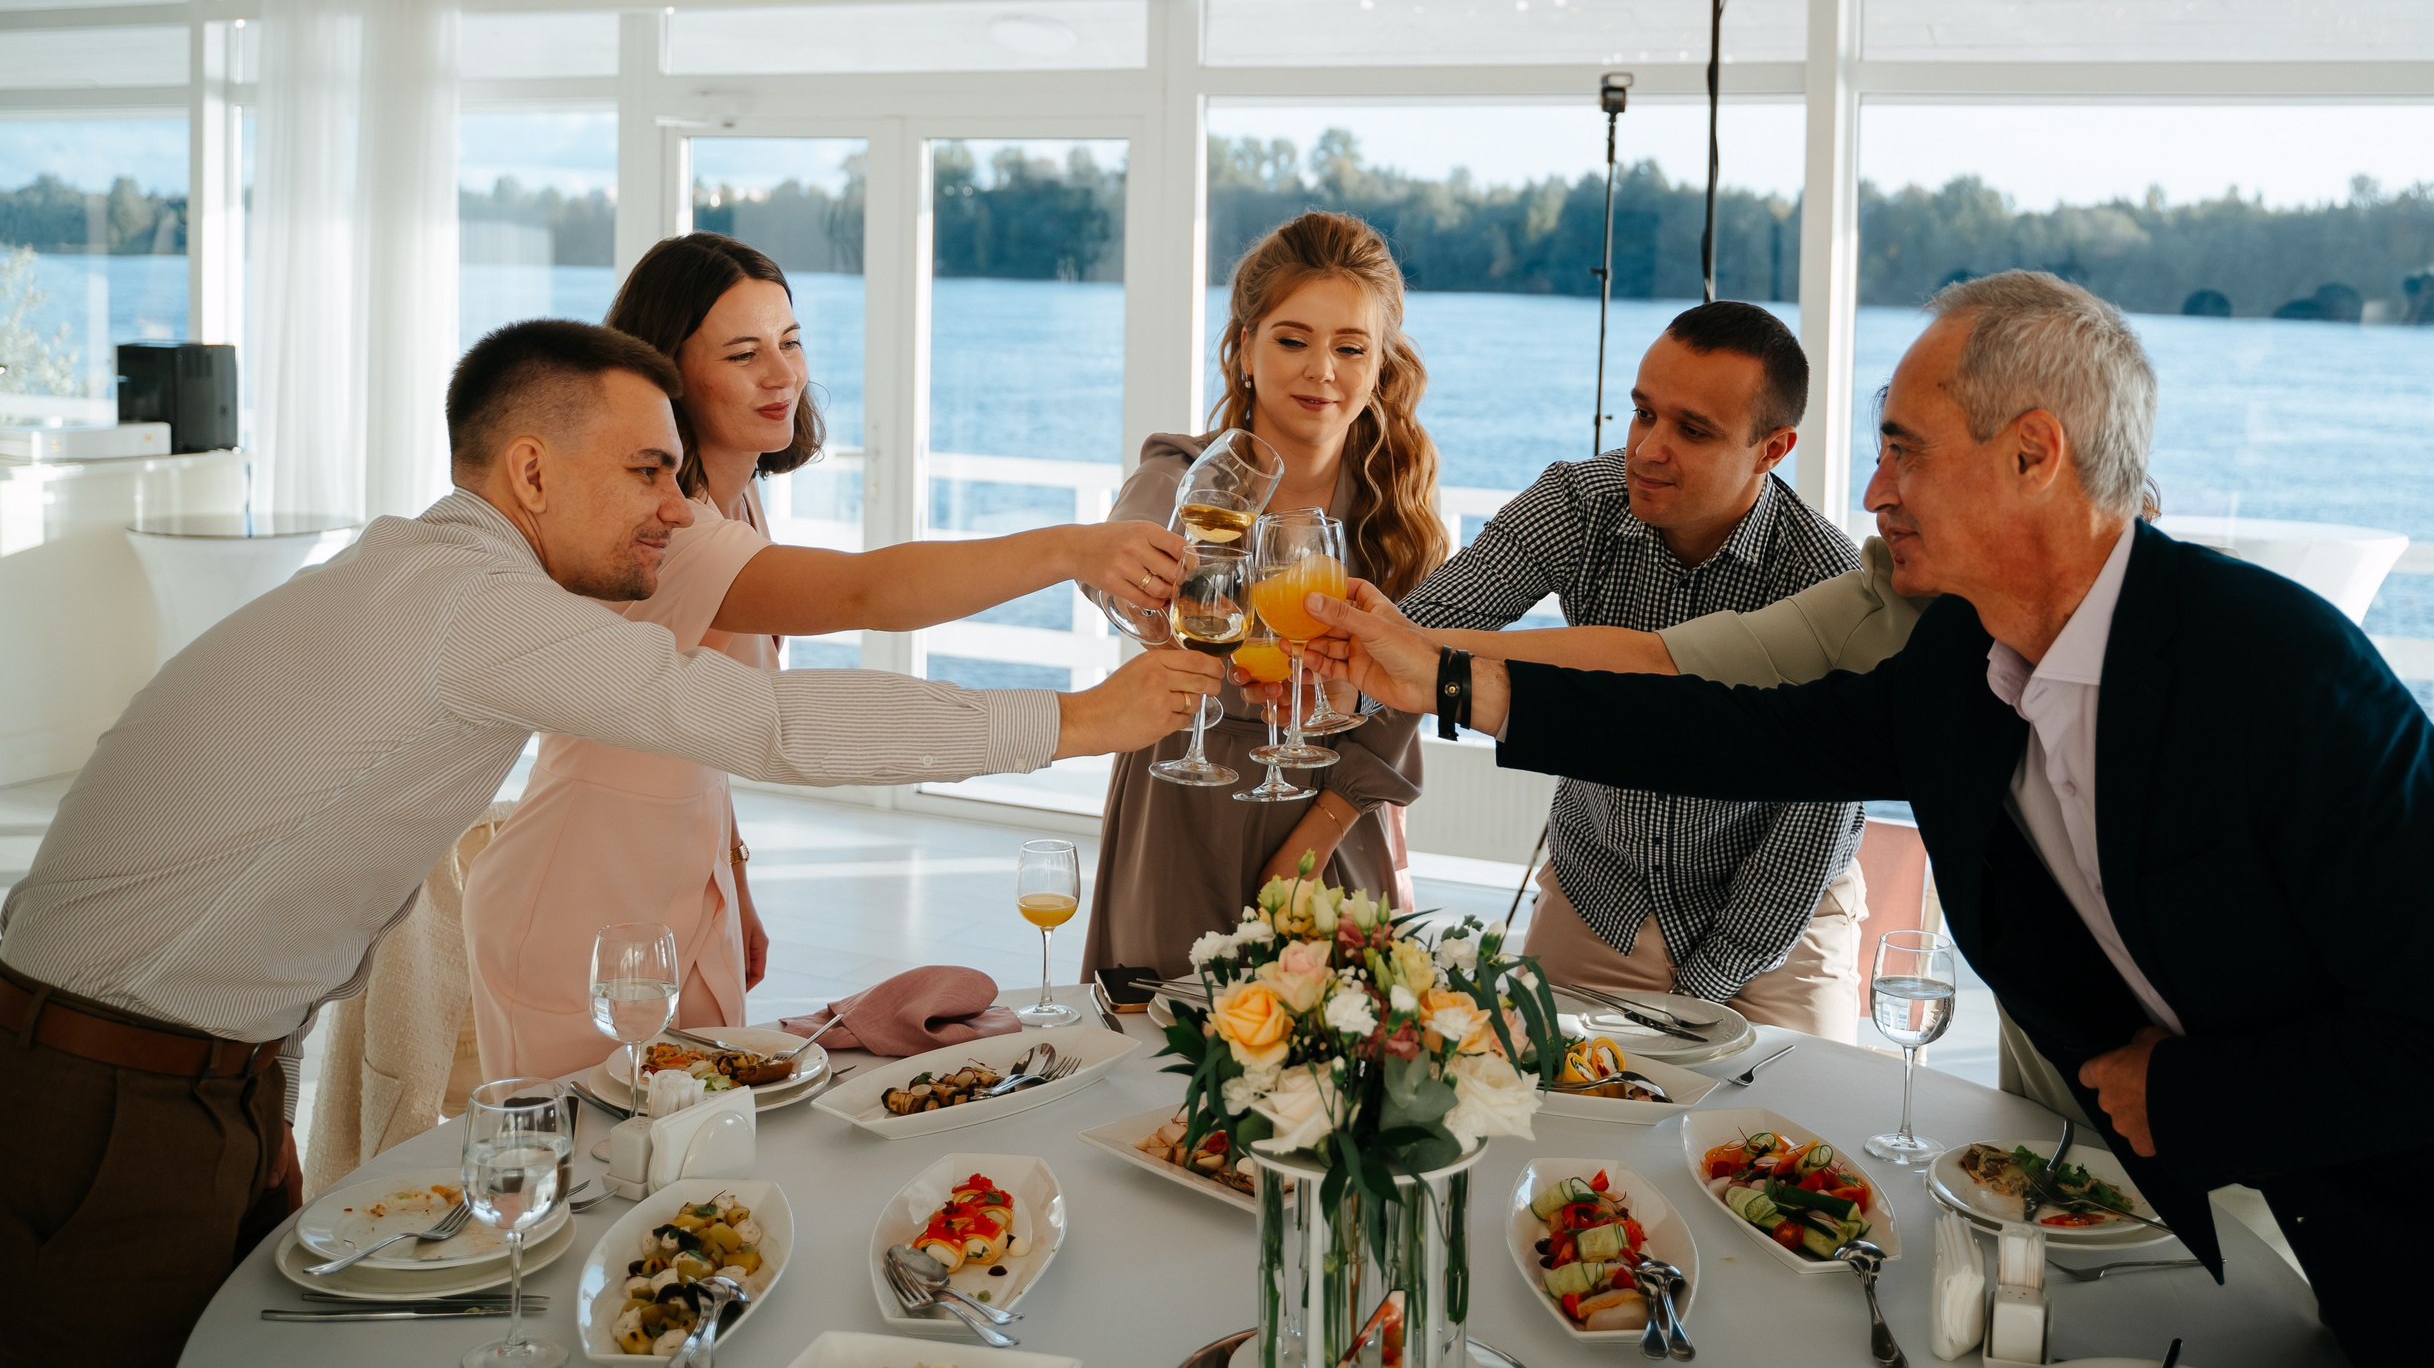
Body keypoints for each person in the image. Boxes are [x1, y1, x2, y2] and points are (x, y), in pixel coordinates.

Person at [1316, 271, 2434, 1363]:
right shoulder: (1961, 659)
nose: (1872, 487)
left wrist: (2182, 1098)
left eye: (1904, 448)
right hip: (2308, 1229)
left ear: (2034, 453)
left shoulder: (2282, 675)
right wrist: (1446, 682)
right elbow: (1730, 731)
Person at [0, 319, 1218, 1366]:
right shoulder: (474, 606)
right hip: (105, 1091)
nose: (676, 511)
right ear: (529, 470)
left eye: (680, 474)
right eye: (647, 471)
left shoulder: (417, 571)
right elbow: (764, 718)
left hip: (189, 1070)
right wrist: (1079, 719)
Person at [465, 236, 1191, 1080]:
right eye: (744, 353)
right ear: (668, 376)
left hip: (684, 895)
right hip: (580, 906)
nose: (783, 374)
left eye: (791, 341)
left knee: (695, 1159)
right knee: (594, 1173)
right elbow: (864, 592)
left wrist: (731, 880)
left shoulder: (734, 501)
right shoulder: (667, 535)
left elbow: (700, 726)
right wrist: (1072, 549)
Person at [1398, 301, 1872, 1039]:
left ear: (1773, 449)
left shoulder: (1826, 577)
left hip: (1777, 920)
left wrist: (1709, 982)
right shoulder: (1577, 503)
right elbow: (1422, 630)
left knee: (1804, 1134)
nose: (1648, 449)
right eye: (1643, 413)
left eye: (1693, 430)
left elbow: (1813, 823)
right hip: (1602, 893)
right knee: (1544, 1114)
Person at [1079, 212, 1443, 982]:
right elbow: (1121, 568)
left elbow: (1406, 708)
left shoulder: (1399, 521)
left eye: (1351, 348)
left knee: (1333, 1063)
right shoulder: (1179, 476)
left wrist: (1316, 837)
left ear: (1380, 366)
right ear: (1244, 348)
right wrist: (1146, 597)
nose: (1322, 370)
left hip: (1334, 811)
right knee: (1160, 1055)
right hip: (1182, 793)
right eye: (1292, 339)